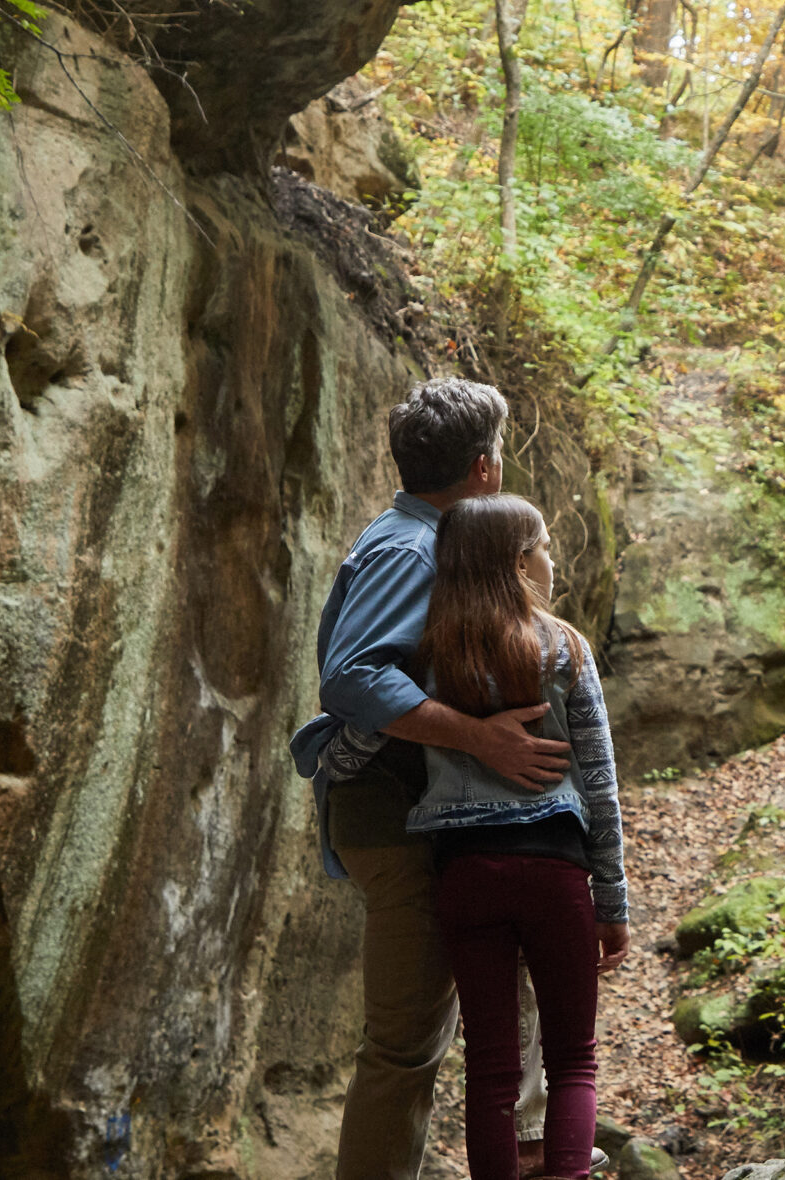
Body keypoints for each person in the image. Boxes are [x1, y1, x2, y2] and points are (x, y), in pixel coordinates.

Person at [291, 379, 571, 1180]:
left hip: (422, 817)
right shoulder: (410, 549)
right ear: (484, 469)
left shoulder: (434, 542)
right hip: (394, 817)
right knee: (406, 1046)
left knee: (463, 1029)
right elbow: (353, 678)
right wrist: (482, 740)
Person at [409, 493, 629, 1180]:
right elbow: (599, 781)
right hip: (552, 873)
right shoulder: (563, 647)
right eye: (544, 546)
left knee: (491, 1071)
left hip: (465, 879)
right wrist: (612, 899)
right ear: (516, 562)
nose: (553, 559)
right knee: (572, 1059)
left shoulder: (426, 655)